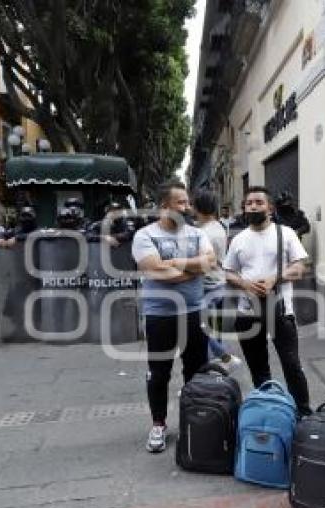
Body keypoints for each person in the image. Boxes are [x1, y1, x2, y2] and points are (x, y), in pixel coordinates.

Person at [131, 181, 215, 452]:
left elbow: (210, 263)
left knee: (196, 370)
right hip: (160, 314)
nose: (187, 207)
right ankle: (158, 424)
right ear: (164, 206)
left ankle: (193, 421)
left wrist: (177, 264)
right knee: (159, 373)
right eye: (181, 203)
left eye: (187, 202)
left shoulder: (196, 233)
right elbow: (157, 271)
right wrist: (192, 269)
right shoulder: (145, 235)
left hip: (192, 311)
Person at [223, 186, 311, 416]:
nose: (253, 206)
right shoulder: (238, 239)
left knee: (292, 366)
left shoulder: (286, 233)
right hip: (247, 312)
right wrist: (244, 284)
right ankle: (271, 411)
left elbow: (300, 267)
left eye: (259, 202)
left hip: (281, 311)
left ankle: (303, 413)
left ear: (270, 208)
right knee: (258, 367)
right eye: (249, 202)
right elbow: (228, 272)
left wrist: (275, 279)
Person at [193, 190, 243, 371]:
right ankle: (217, 370)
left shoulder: (203, 233)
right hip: (219, 284)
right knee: (215, 329)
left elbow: (201, 262)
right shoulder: (219, 227)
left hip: (207, 285)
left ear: (199, 207)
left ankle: (224, 357)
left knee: (203, 329)